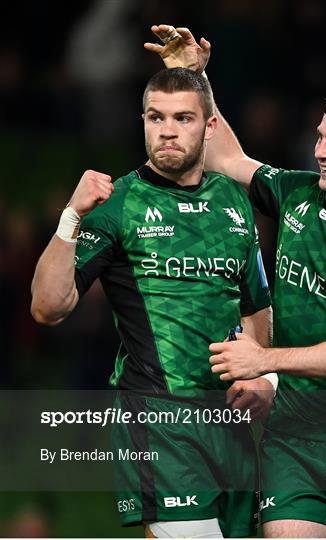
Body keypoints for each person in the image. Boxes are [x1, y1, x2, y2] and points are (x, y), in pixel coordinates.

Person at [147, 25, 326, 538]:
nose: (318, 150)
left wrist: (267, 361)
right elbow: (226, 157)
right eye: (319, 135)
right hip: (293, 439)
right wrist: (192, 76)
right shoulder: (298, 194)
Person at [31, 67, 275, 538]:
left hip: (230, 427)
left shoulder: (234, 200)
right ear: (141, 120)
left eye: (182, 118)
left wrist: (263, 375)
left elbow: (255, 304)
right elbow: (48, 306)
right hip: (158, 422)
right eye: (155, 117)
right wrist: (71, 216)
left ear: (208, 127)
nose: (166, 130)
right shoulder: (118, 202)